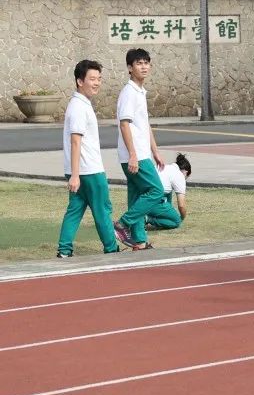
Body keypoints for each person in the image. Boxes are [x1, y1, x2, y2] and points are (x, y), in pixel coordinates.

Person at [57, 59, 120, 258]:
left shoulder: (81, 104)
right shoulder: (78, 107)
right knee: (102, 210)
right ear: (79, 81)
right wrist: (75, 175)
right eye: (92, 79)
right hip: (89, 171)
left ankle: (64, 250)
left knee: (75, 210)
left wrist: (74, 174)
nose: (97, 83)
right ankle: (111, 248)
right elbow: (76, 141)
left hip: (81, 170)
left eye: (99, 79)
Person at [113, 48, 165, 251]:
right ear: (129, 68)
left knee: (136, 196)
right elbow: (124, 124)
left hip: (141, 153)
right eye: (138, 63)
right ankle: (122, 224)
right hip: (134, 155)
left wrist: (155, 150)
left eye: (146, 62)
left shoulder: (140, 91)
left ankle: (139, 241)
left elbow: (145, 124)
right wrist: (134, 154)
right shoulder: (129, 92)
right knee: (156, 190)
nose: (143, 66)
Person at [147, 153, 191, 230]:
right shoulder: (179, 175)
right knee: (176, 221)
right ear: (186, 172)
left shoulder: (165, 168)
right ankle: (147, 219)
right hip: (154, 201)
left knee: (168, 191)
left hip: (141, 198)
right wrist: (181, 218)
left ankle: (147, 216)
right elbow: (181, 206)